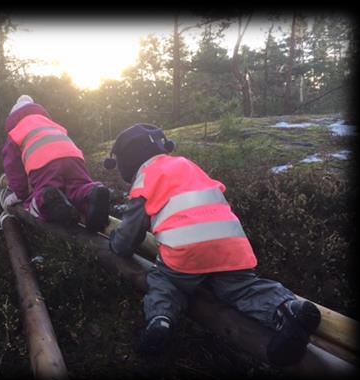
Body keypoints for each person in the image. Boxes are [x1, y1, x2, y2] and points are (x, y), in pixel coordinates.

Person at [103, 123, 321, 366]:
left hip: (185, 254)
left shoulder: (144, 180)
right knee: (242, 287)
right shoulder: (187, 165)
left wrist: (115, 244)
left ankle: (161, 319)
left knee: (164, 281)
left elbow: (128, 237)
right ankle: (287, 309)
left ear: (127, 163)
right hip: (230, 245)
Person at [2, 94, 110, 232]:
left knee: (44, 193)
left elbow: (13, 167)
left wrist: (20, 193)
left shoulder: (16, 131)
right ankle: (92, 192)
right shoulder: (52, 124)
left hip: (44, 161)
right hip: (73, 157)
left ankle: (49, 201)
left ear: (13, 118)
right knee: (77, 186)